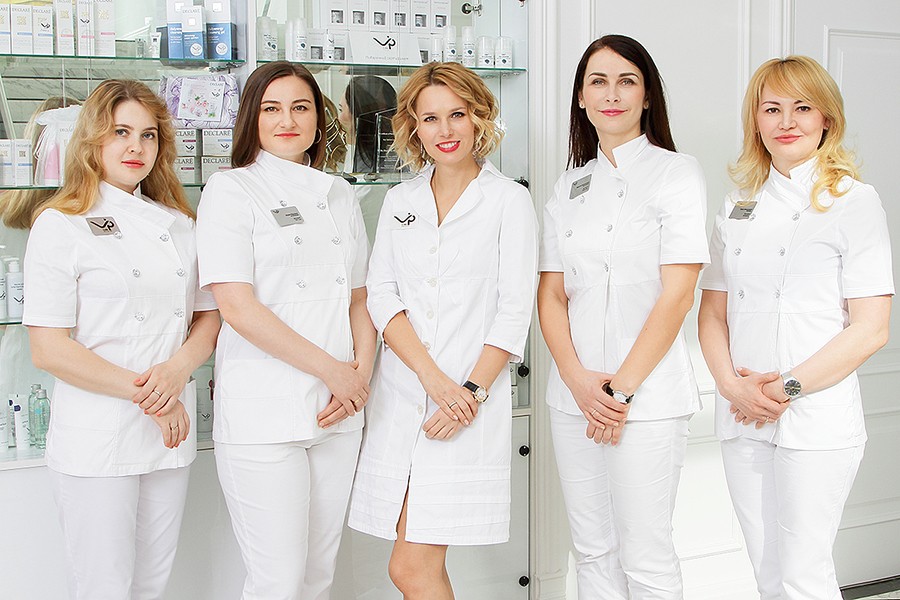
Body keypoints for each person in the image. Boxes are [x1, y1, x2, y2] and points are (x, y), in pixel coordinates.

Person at [698, 55, 893, 600]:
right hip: (744, 414)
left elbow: (871, 328)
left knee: (804, 575)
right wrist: (733, 387)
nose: (786, 121)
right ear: (755, 121)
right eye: (772, 109)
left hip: (815, 417)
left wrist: (784, 388)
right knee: (767, 573)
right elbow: (711, 313)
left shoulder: (855, 202)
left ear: (826, 118)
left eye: (802, 107)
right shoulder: (736, 206)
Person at [23, 79, 220, 600]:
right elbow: (49, 349)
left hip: (167, 432)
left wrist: (176, 374)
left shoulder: (180, 224)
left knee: (152, 584)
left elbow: (209, 317)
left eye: (148, 135)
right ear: (92, 139)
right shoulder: (60, 224)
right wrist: (154, 396)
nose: (136, 147)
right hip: (99, 432)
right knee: (103, 588)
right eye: (121, 132)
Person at [348, 61, 538, 599]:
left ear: (480, 118)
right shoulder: (400, 200)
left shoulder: (508, 200)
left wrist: (469, 393)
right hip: (404, 396)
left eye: (458, 114)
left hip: (465, 405)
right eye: (430, 118)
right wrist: (433, 380)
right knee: (415, 568)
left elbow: (514, 310)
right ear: (413, 126)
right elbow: (382, 294)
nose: (445, 130)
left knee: (411, 568)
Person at [196, 61, 376, 600]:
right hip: (264, 413)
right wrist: (335, 372)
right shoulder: (230, 190)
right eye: (271, 108)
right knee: (277, 580)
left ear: (319, 119)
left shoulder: (339, 193)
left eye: (301, 107)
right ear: (252, 118)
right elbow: (237, 307)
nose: (287, 121)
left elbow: (360, 298)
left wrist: (360, 376)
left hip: (338, 412)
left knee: (318, 575)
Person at [537, 35, 709, 599]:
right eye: (598, 82)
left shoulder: (677, 173)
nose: (611, 94)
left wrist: (619, 393)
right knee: (591, 551)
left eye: (626, 81)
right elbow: (552, 294)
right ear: (581, 98)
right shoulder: (568, 187)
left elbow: (678, 295)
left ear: (647, 96)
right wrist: (577, 381)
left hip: (648, 399)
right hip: (574, 398)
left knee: (646, 556)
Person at [338, 75, 399, 245]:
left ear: (357, 115)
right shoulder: (355, 154)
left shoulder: (372, 182)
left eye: (342, 109)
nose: (340, 118)